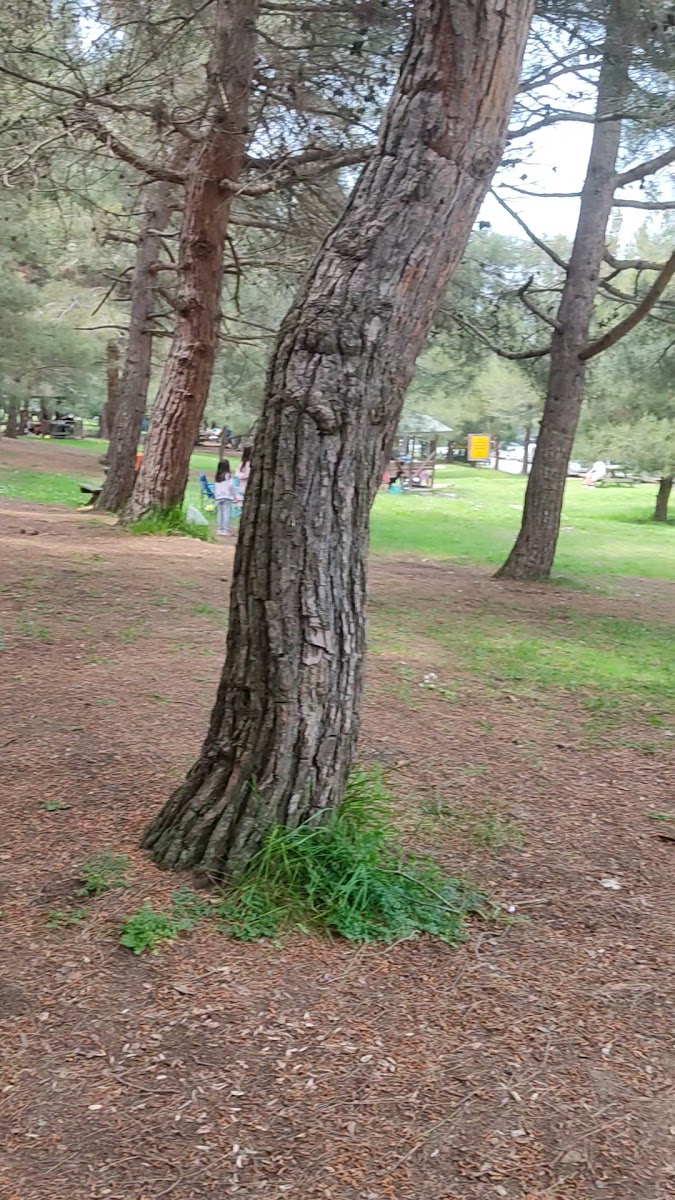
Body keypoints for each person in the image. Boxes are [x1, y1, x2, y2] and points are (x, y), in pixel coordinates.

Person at [214, 458, 238, 536]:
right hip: (227, 496)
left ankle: (219, 529)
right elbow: (231, 486)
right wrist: (235, 496)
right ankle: (225, 530)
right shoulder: (228, 475)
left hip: (219, 496)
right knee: (226, 513)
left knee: (220, 513)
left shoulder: (217, 476)